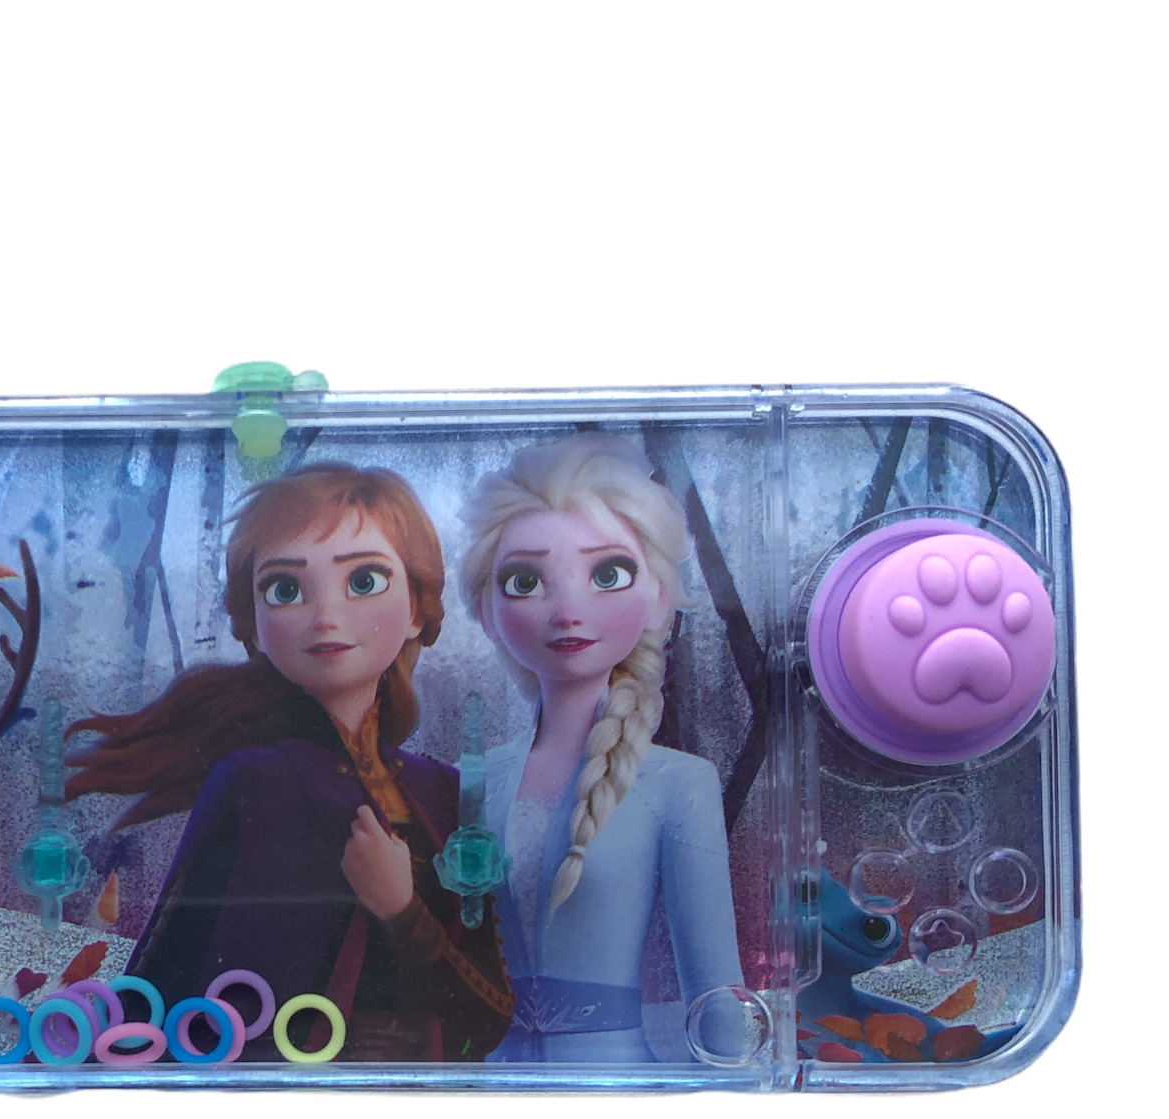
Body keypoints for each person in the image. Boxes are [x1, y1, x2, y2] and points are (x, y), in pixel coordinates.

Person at [69, 463, 512, 1063]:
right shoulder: (257, 780)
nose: (325, 615)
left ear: (417, 607)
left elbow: (487, 1017)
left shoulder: (441, 791)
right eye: (284, 589)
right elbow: (172, 969)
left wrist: (402, 911)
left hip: (421, 1093)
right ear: (253, 625)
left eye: (364, 581)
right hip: (275, 1087)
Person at [459, 435, 744, 1064]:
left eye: (607, 574)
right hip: (488, 1084)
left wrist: (733, 1093)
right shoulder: (472, 781)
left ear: (658, 598)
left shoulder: (679, 784)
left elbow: (716, 991)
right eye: (525, 580)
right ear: (485, 607)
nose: (567, 610)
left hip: (618, 1085)